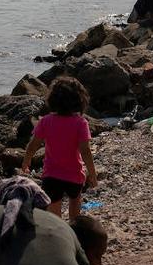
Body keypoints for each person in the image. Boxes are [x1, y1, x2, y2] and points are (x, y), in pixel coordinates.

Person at [22, 77, 98, 220]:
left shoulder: (45, 121)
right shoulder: (81, 123)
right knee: (75, 202)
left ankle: (58, 233)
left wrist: (26, 161)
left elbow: (33, 144)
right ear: (79, 100)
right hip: (74, 174)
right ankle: (73, 231)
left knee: (54, 211)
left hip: (51, 175)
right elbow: (85, 151)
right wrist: (92, 173)